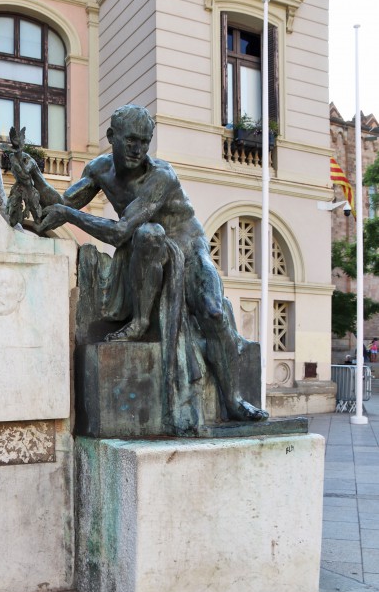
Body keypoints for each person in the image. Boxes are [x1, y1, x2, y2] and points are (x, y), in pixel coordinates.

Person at [28, 104, 268, 422]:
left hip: (188, 248)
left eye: (143, 141)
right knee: (149, 233)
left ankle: (234, 401)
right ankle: (140, 322)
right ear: (112, 137)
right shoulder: (98, 170)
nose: (137, 149)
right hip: (146, 247)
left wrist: (67, 215)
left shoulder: (160, 176)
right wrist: (32, 174)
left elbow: (118, 231)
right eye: (130, 140)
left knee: (213, 309)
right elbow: (63, 203)